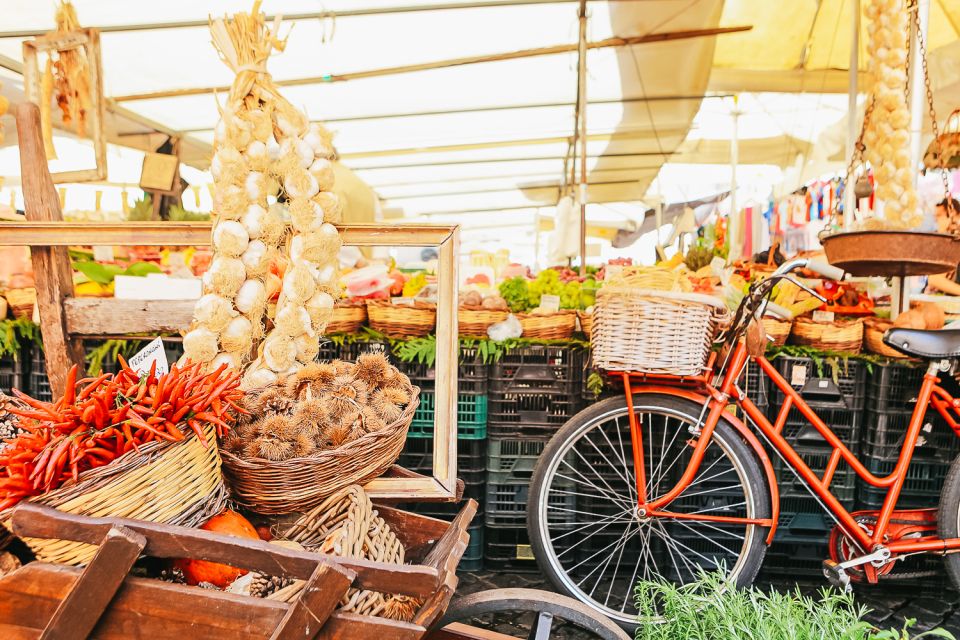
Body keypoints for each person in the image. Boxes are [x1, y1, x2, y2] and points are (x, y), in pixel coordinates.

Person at [926, 197, 960, 296]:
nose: (937, 222)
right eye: (936, 218)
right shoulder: (948, 242)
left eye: (940, 216)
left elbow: (935, 279)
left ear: (954, 214)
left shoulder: (953, 240)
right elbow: (935, 279)